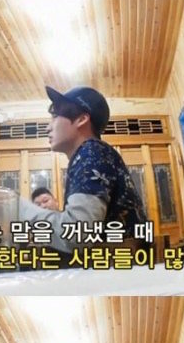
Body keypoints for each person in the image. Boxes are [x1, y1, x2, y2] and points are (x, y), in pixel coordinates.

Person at [19, 86, 148, 256]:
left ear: (81, 119)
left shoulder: (92, 152)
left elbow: (77, 235)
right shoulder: (92, 154)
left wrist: (16, 207)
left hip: (119, 269)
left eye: (55, 116)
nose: (47, 128)